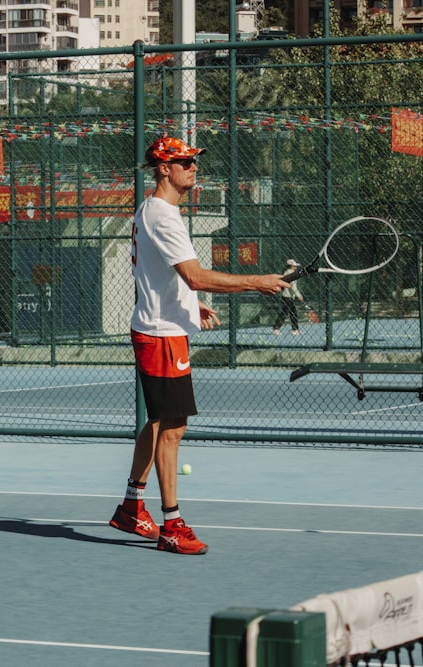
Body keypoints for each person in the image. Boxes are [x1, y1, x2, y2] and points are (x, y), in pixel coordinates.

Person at [108, 135, 290, 555]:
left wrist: (193, 304)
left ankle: (132, 506)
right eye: (184, 161)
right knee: (173, 429)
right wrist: (256, 281)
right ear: (164, 169)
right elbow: (194, 275)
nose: (194, 167)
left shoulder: (154, 210)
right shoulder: (164, 216)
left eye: (194, 160)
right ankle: (172, 526)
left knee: (158, 423)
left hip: (160, 328)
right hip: (161, 336)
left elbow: (166, 276)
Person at [272, 259, 304, 335]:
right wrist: (299, 295)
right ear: (291, 266)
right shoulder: (290, 273)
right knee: (284, 313)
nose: (296, 267)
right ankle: (276, 328)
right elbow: (292, 286)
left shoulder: (289, 272)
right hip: (287, 297)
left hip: (289, 297)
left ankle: (295, 330)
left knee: (293, 313)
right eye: (295, 266)